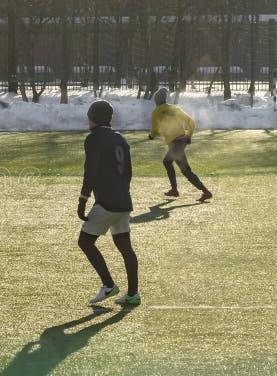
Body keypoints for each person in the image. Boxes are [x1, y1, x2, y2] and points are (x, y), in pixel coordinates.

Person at [77, 100, 141, 307]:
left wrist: (83, 200)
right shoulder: (121, 139)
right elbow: (129, 172)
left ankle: (108, 285)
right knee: (125, 247)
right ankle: (133, 293)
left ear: (93, 117)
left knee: (85, 242)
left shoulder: (93, 139)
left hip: (106, 202)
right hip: (123, 200)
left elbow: (91, 172)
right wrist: (122, 192)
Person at [149, 88, 212, 202]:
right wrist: (189, 135)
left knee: (169, 163)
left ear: (156, 101)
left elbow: (155, 129)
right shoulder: (175, 108)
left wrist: (152, 136)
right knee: (183, 169)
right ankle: (203, 191)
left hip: (175, 144)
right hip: (181, 141)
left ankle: (177, 190)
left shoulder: (156, 111)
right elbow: (191, 122)